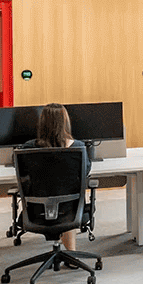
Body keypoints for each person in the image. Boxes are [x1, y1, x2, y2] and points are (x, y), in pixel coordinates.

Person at [21, 103, 91, 253]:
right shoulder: (78, 148)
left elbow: (22, 172)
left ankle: (69, 251)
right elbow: (85, 171)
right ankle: (71, 253)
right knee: (68, 199)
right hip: (70, 212)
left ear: (42, 123)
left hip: (37, 211)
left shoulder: (27, 149)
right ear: (65, 123)